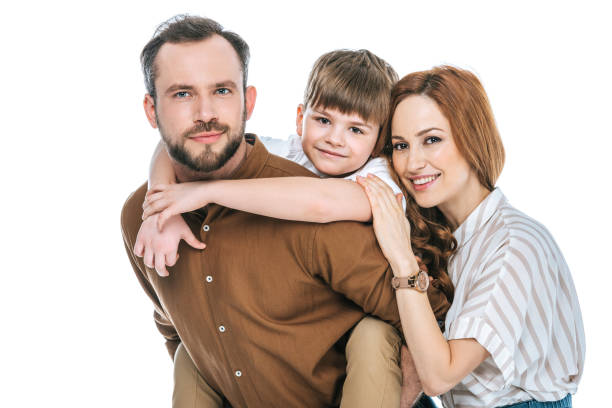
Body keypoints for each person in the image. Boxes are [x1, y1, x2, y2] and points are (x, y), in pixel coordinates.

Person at [121, 15, 451, 407]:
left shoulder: (340, 201)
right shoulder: (140, 220)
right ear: (151, 110)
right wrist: (162, 200)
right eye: (181, 94)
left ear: (249, 101)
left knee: (373, 334)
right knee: (187, 361)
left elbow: (429, 319)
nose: (205, 112)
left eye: (222, 90)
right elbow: (175, 325)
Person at [356, 65, 585, 407]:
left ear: (472, 137)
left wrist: (401, 257)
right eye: (400, 145)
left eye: (431, 140)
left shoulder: (515, 245)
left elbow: (439, 377)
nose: (413, 163)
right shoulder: (444, 235)